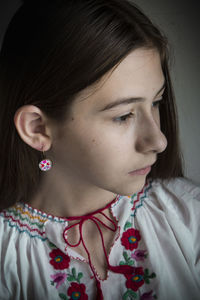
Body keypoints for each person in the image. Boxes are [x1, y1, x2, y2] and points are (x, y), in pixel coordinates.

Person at [0, 0, 199, 299]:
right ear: (37, 128)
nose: (159, 141)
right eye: (123, 116)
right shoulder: (6, 257)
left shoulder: (188, 215)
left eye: (155, 103)